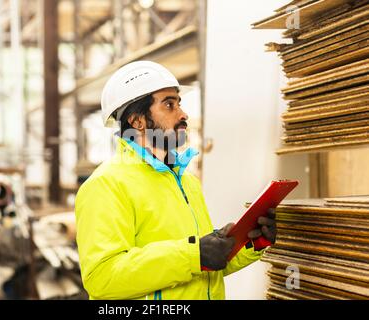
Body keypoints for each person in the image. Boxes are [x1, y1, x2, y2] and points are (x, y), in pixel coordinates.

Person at [75, 61, 276, 300]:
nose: (183, 114)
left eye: (179, 103)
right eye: (169, 104)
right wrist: (194, 255)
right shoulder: (106, 185)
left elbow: (204, 271)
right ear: (137, 121)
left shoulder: (187, 182)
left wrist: (253, 243)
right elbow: (102, 278)